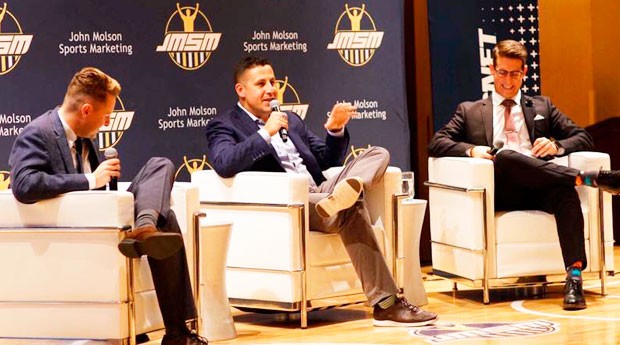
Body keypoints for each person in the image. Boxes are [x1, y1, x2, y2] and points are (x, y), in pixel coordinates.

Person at [205, 56, 438, 327]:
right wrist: (265, 134)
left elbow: (327, 161)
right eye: (261, 84)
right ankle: (386, 304)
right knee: (350, 207)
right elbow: (223, 163)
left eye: (273, 82)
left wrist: (335, 129)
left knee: (378, 153)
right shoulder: (225, 125)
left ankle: (346, 192)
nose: (270, 89)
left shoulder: (290, 119)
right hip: (292, 202)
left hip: (321, 190)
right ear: (241, 90)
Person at [8, 67, 207, 345]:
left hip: (108, 217)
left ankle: (145, 225)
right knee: (168, 220)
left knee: (160, 164)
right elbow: (24, 186)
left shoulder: (85, 137)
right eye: (105, 116)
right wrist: (90, 180)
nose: (106, 123)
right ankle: (177, 334)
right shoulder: (38, 133)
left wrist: (101, 185)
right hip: (81, 234)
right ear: (86, 110)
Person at [428, 40, 620, 311]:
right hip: (501, 191)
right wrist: (472, 150)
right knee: (504, 155)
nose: (508, 80)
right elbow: (436, 142)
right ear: (491, 70)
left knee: (565, 194)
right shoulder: (470, 111)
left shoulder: (541, 107)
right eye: (503, 72)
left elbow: (583, 136)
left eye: (515, 73)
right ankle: (585, 177)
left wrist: (558, 146)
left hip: (539, 185)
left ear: (524, 72)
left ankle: (574, 279)